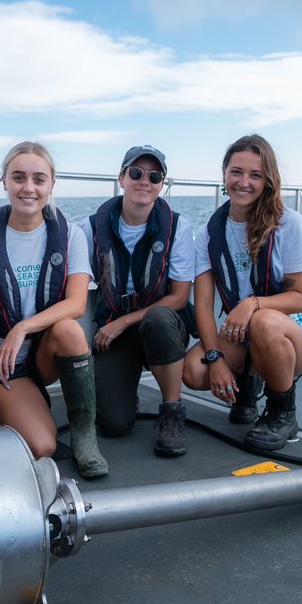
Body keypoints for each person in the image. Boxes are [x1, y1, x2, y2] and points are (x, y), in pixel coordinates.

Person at [0, 142, 109, 478]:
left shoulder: (71, 236)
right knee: (43, 447)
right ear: (4, 182)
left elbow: (77, 303)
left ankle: (85, 435)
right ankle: (0, 408)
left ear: (51, 184)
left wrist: (23, 327)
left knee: (70, 329)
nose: (29, 188)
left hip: (39, 356)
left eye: (39, 179)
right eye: (19, 177)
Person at [183, 134, 302, 454]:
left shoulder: (288, 223)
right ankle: (247, 387)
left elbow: (300, 298)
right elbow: (202, 306)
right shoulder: (209, 234)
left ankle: (282, 413)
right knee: (193, 370)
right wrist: (216, 359)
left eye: (255, 175)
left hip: (290, 334)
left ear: (267, 180)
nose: (244, 182)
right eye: (236, 172)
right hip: (239, 335)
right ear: (224, 174)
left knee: (262, 322)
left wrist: (252, 304)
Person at [81, 145, 195, 457]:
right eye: (136, 173)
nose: (145, 181)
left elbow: (179, 297)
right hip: (114, 333)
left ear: (162, 185)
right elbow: (75, 280)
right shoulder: (91, 227)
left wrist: (124, 321)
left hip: (162, 327)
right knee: (113, 425)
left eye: (154, 176)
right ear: (122, 178)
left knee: (156, 318)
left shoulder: (178, 228)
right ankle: (124, 390)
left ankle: (172, 410)